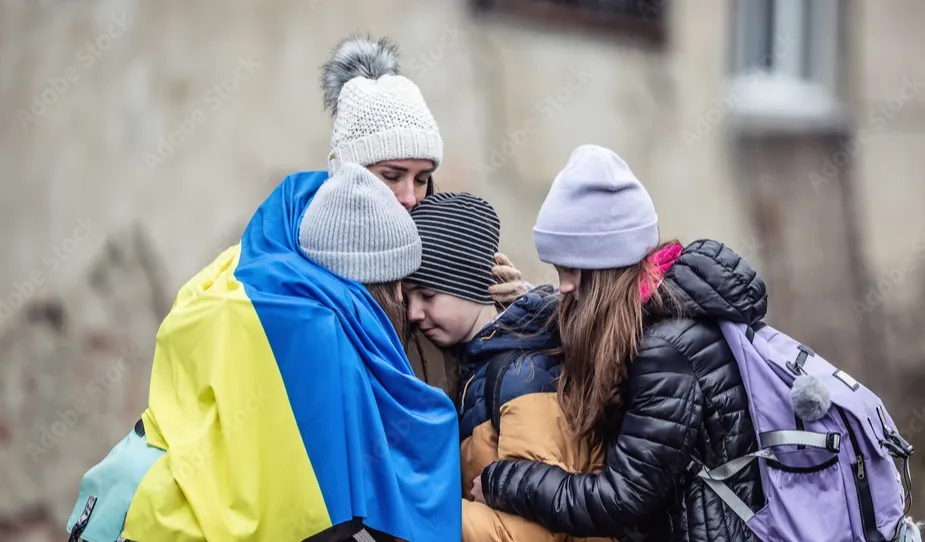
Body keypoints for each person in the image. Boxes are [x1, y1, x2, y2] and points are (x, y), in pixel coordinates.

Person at [66, 163, 461, 542]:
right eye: (407, 289)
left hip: (130, 498)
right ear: (382, 284)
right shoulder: (330, 348)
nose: (410, 310)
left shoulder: (236, 287)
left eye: (422, 179)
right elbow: (325, 513)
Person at [472, 144, 766, 541]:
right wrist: (525, 299)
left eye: (572, 269)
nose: (564, 285)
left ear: (607, 267)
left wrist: (503, 481)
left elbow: (619, 501)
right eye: (557, 269)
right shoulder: (661, 311)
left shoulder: (666, 350)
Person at [318, 34, 527, 397]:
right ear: (347, 172)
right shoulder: (310, 272)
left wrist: (515, 316)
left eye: (423, 179)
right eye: (391, 176)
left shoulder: (439, 242)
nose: (410, 197)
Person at [403, 192, 615, 542]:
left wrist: (412, 511)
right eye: (408, 298)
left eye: (427, 296)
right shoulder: (484, 363)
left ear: (471, 285)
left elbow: (530, 535)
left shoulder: (524, 374)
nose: (414, 313)